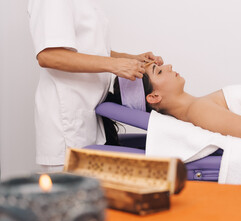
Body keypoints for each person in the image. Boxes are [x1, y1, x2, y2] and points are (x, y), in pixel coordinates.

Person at [27, 0, 163, 172]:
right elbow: (49, 56)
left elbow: (91, 49)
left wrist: (129, 58)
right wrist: (114, 65)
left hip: (88, 117)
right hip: (67, 123)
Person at [106, 63, 241, 146]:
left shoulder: (199, 104)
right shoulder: (198, 110)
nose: (169, 66)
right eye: (159, 71)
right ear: (154, 96)